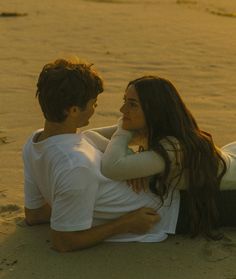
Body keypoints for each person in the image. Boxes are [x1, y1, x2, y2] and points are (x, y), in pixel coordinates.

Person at [23, 59, 181, 252]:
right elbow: (63, 242)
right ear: (73, 110)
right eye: (93, 104)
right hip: (176, 210)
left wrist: (133, 165)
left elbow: (34, 214)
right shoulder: (75, 164)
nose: (94, 109)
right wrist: (125, 224)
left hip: (170, 185)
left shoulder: (35, 142)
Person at [101, 76, 236, 239]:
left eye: (132, 105)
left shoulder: (173, 147)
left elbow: (111, 168)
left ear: (154, 111)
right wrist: (131, 154)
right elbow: (88, 136)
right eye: (125, 101)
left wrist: (122, 132)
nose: (122, 110)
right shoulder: (150, 128)